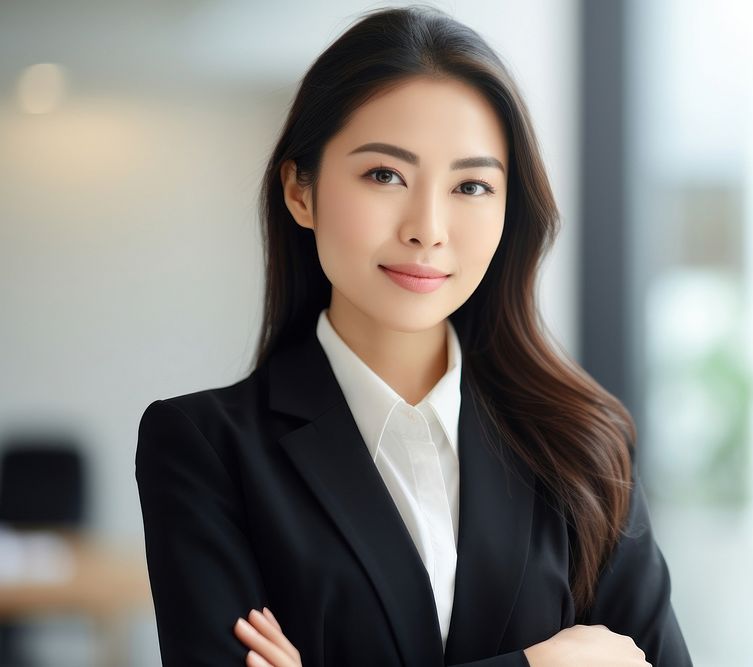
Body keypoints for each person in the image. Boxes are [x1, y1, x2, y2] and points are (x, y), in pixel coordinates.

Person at [134, 5, 692, 666]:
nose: (428, 226)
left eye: (472, 185)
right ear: (300, 190)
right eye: (385, 175)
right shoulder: (206, 448)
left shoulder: (583, 442)